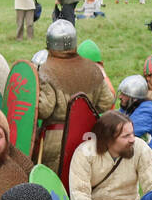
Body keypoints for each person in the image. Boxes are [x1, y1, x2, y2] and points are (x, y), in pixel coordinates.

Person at [35, 19, 116, 170]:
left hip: (56, 141)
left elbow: (44, 109)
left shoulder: (47, 70)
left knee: (54, 187)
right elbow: (107, 101)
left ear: (50, 44)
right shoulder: (93, 68)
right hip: (87, 137)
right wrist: (83, 114)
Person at [68, 110, 152, 200]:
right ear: (108, 139)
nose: (132, 139)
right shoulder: (84, 153)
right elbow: (79, 197)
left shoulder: (140, 148)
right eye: (126, 136)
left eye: (132, 134)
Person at [118, 74, 152, 160]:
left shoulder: (148, 110)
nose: (120, 97)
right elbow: (116, 120)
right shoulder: (130, 107)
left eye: (124, 94)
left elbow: (123, 132)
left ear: (134, 98)